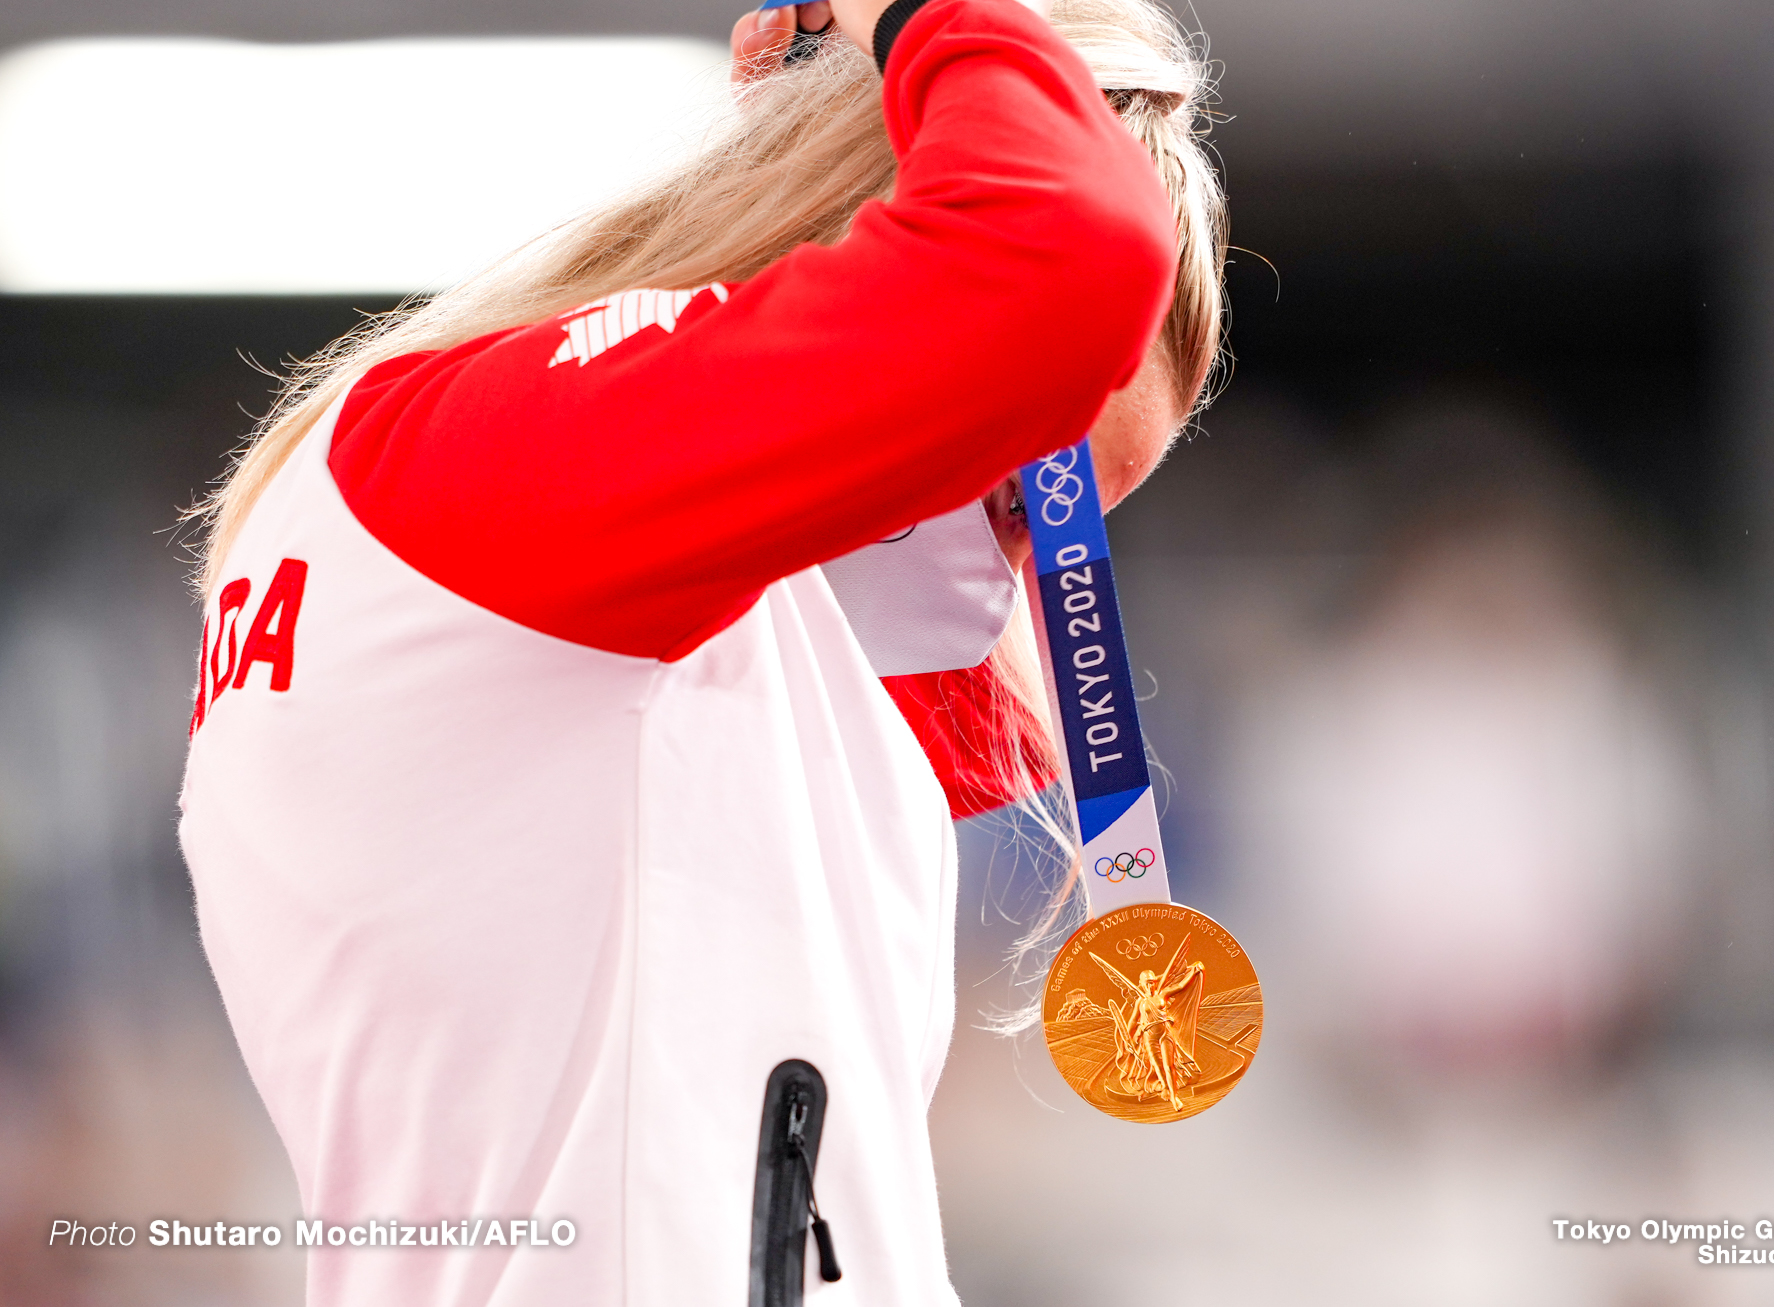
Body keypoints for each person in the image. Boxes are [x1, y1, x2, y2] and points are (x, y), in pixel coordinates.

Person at [178, 0, 1225, 1299]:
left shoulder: (520, 541)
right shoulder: (473, 468)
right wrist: (914, 26)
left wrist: (834, 108)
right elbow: (1070, 255)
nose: (1035, 576)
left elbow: (976, 734)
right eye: (1023, 503)